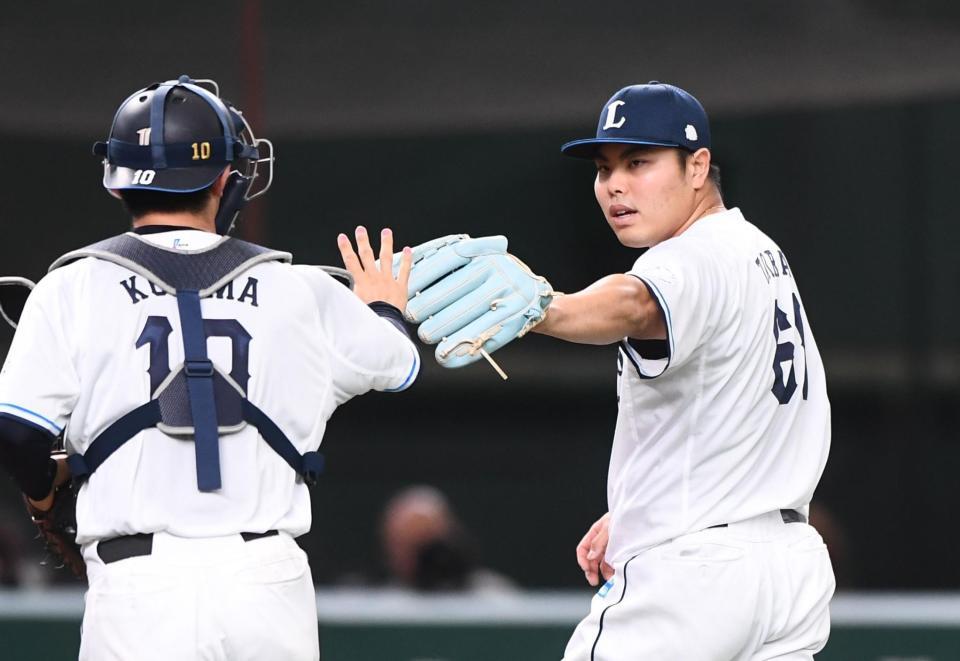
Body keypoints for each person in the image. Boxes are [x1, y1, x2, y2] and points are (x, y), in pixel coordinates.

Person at [0, 75, 418, 661]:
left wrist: (45, 498)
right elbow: (397, 363)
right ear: (226, 178)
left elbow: (18, 431)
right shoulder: (301, 288)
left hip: (137, 583)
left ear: (119, 184)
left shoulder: (69, 288)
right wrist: (383, 308)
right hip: (264, 580)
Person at [380, 485, 515, 592]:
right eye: (406, 545)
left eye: (427, 543)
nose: (420, 557)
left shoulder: (493, 598)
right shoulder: (377, 607)